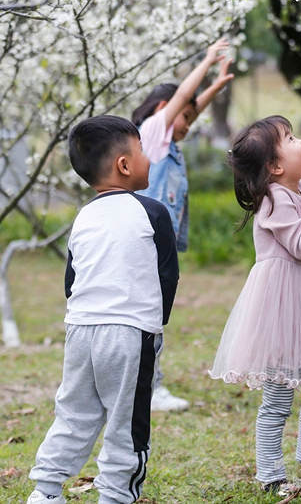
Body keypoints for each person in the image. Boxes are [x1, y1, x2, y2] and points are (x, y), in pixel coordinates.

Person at [27, 116, 179, 504]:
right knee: (127, 422)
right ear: (124, 165)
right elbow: (167, 275)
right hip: (129, 334)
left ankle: (45, 490)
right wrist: (155, 325)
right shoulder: (153, 212)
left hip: (80, 330)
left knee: (74, 412)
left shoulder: (83, 216)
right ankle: (115, 496)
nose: (148, 158)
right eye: (142, 151)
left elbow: (70, 279)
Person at [208, 116, 301, 495]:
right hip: (280, 304)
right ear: (276, 167)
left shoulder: (299, 195)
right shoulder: (275, 198)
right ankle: (270, 472)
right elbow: (300, 246)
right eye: (291, 138)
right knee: (279, 391)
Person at [131, 38, 234, 412]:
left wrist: (216, 87)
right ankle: (150, 389)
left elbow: (188, 106)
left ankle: (146, 386)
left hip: (160, 248)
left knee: (153, 317)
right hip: (147, 245)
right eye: (186, 118)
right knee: (149, 319)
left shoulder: (167, 144)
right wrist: (206, 61)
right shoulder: (151, 137)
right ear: (164, 109)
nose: (190, 125)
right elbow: (180, 103)